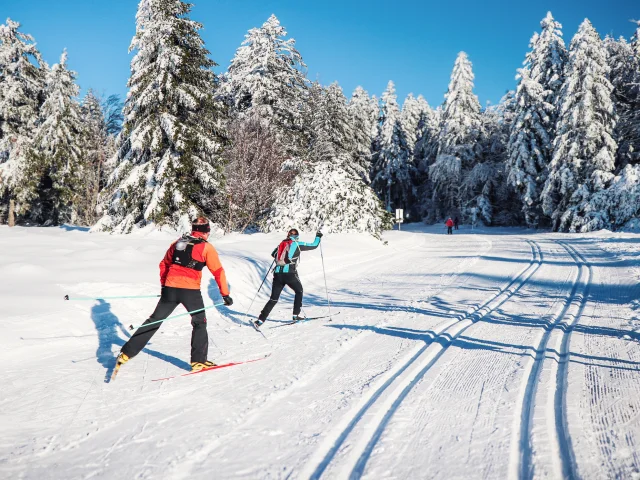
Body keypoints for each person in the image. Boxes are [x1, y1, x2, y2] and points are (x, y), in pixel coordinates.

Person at [114, 217, 233, 374]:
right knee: (199, 322)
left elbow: (164, 263)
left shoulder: (178, 242)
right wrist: (225, 294)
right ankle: (199, 361)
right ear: (206, 232)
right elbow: (218, 271)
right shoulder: (206, 247)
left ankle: (126, 353)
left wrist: (164, 285)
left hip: (170, 288)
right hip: (190, 291)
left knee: (154, 320)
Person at [255, 228, 322, 327]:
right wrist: (318, 236)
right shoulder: (297, 244)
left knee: (273, 299)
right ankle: (295, 315)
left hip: (277, 274)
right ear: (297, 236)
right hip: (290, 274)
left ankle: (260, 320)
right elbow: (314, 245)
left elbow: (273, 254)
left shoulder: (282, 243)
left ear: (288, 235)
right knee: (299, 291)